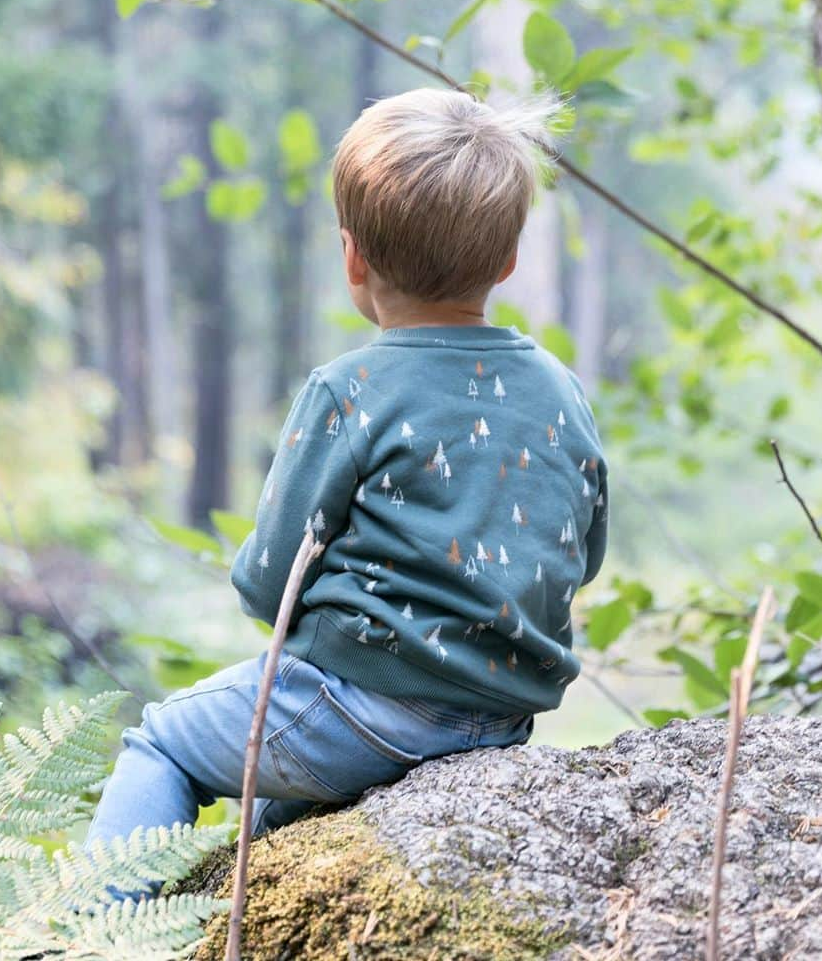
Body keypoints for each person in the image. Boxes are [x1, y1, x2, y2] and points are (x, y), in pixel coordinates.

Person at [85, 87, 608, 861]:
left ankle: (82, 937)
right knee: (269, 829)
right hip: (502, 719)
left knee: (162, 745)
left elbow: (267, 584)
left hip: (365, 707)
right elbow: (581, 556)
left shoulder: (351, 390)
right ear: (508, 257)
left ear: (352, 256)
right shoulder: (564, 393)